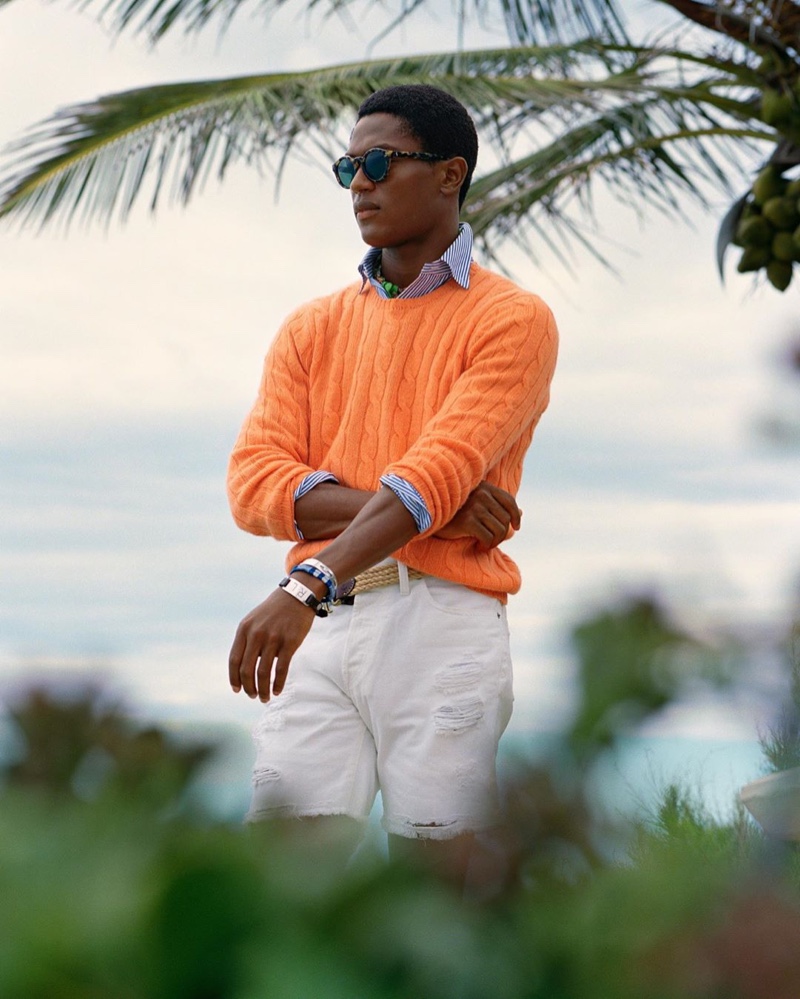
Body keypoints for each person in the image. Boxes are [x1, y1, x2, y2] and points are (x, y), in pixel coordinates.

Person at [227, 84, 559, 882]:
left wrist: (307, 577)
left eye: (378, 162)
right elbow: (253, 484)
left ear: (450, 174)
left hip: (438, 623)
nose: (360, 185)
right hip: (327, 632)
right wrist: (430, 503)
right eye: (348, 168)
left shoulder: (512, 319)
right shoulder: (311, 328)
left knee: (441, 891)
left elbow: (435, 469)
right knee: (280, 882)